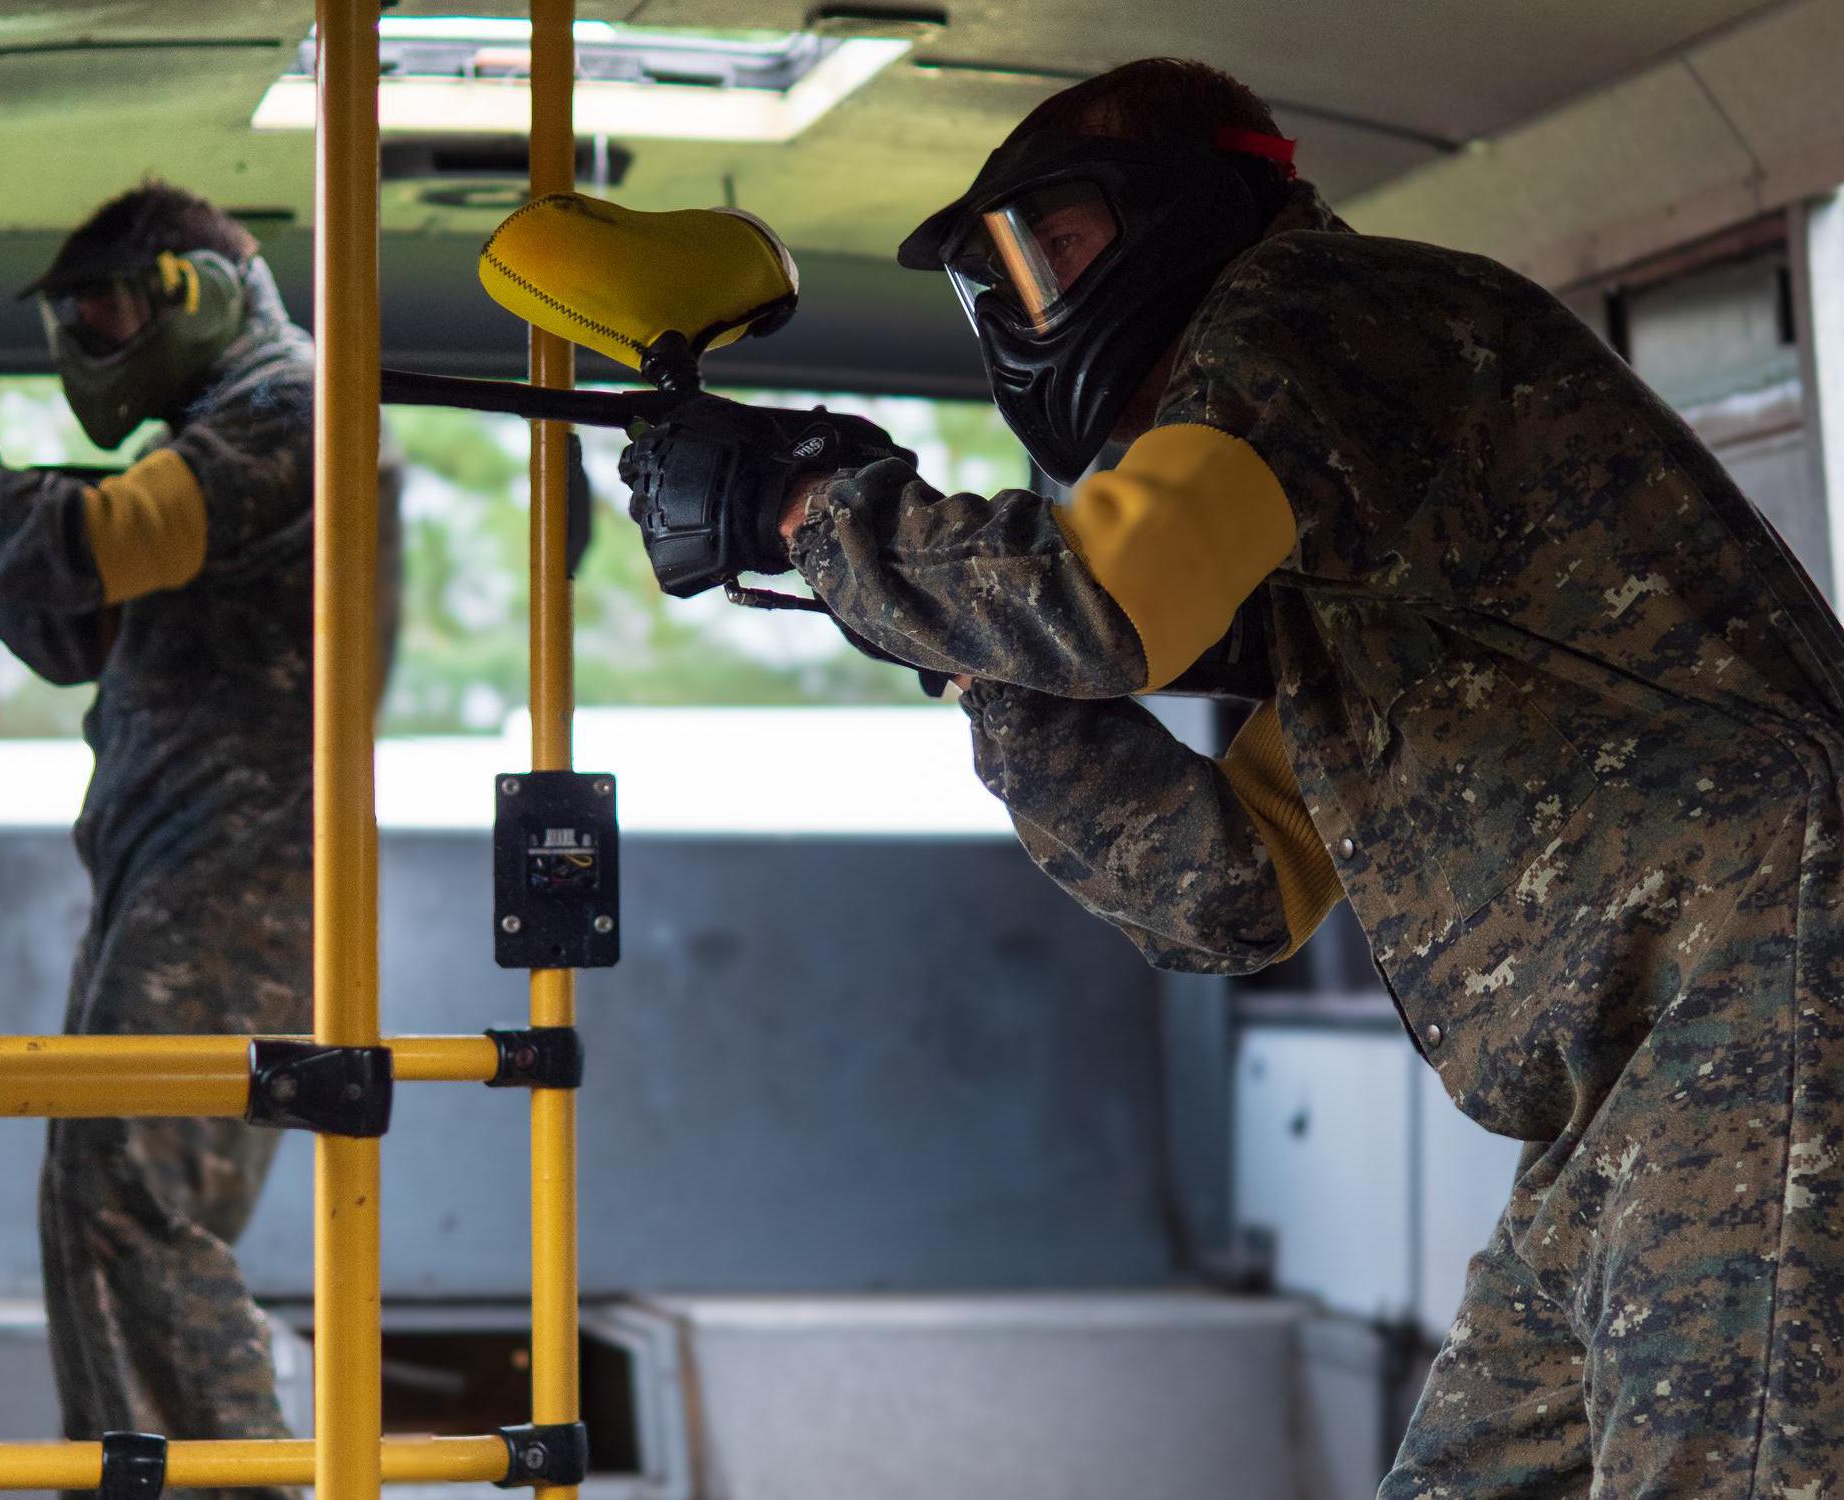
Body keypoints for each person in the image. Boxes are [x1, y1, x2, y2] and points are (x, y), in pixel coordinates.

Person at [620, 57, 1844, 1499]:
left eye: (1053, 245)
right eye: (994, 280)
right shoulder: (1351, 570)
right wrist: (963, 661)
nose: (1027, 303)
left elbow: (1094, 602)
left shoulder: (1325, 313)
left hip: (1771, 986)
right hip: (1632, 1081)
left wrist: (810, 507)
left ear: (1196, 203)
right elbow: (1224, 895)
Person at [0, 181, 399, 1500]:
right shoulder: (218, 435)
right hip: (186, 862)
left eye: (108, 309)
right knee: (105, 1196)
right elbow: (82, 627)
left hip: (245, 867)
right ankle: (146, 1480)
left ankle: (223, 1491)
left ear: (201, 290)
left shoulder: (289, 407)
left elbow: (89, 544)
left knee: (134, 1202)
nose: (92, 341)